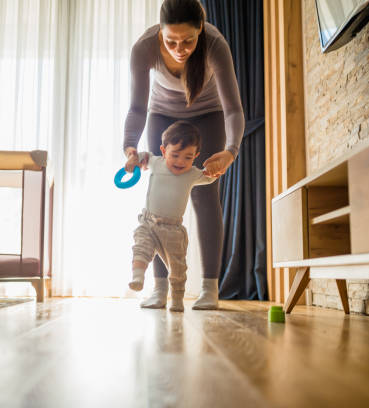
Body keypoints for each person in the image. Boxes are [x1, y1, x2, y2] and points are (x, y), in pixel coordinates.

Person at [123, 0, 245, 310]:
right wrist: (130, 146)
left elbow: (233, 109)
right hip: (162, 114)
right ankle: (160, 288)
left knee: (206, 196)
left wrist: (231, 151)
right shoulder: (144, 49)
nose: (180, 48)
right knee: (160, 201)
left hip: (209, 114)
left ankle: (210, 287)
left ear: (200, 30)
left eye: (188, 41)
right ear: (160, 33)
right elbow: (137, 108)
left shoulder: (215, 45)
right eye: (171, 41)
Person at [126, 121, 215, 312]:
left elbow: (209, 177)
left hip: (173, 230)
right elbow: (142, 156)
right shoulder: (156, 162)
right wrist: (133, 160)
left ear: (196, 156)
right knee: (140, 247)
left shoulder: (192, 173)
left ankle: (176, 299)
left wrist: (216, 169)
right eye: (175, 155)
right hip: (148, 222)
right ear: (163, 150)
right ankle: (138, 277)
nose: (181, 162)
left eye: (188, 157)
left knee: (177, 268)